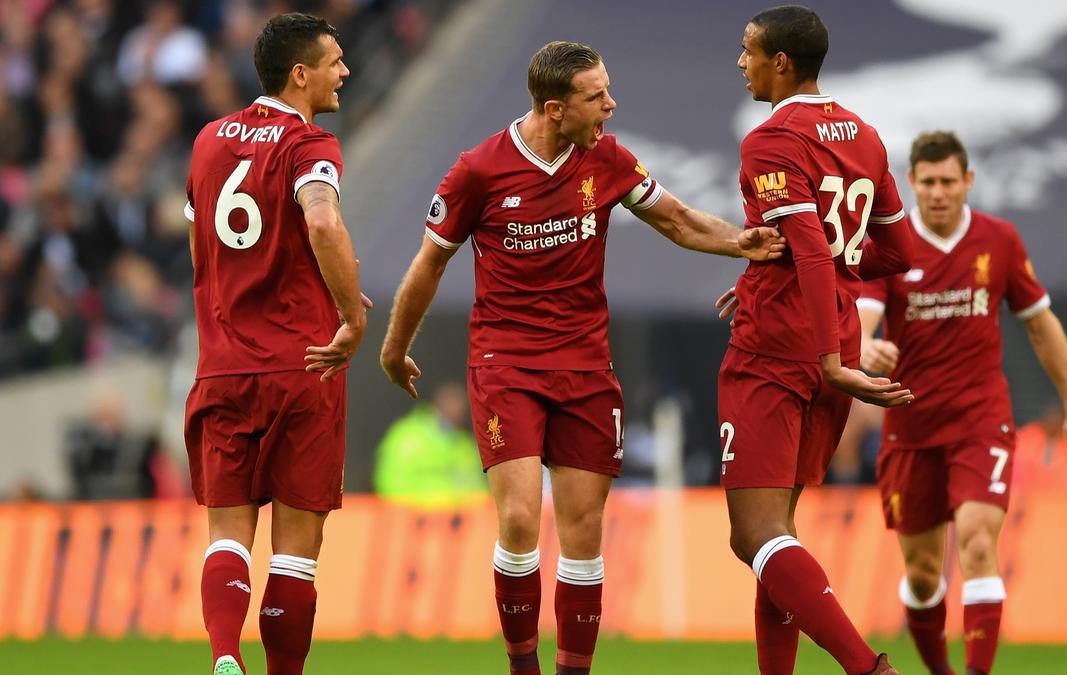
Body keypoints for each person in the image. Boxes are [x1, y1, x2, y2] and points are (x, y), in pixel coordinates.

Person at [379, 40, 785, 675]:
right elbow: (430, 263)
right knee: (520, 518)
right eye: (597, 97)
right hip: (506, 363)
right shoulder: (479, 171)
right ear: (555, 109)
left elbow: (677, 220)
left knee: (583, 534)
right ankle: (523, 666)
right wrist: (394, 348)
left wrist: (742, 243)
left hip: (586, 369)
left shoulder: (608, 160)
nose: (611, 106)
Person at [713, 6, 915, 675]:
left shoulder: (770, 139)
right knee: (780, 536)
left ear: (781, 62)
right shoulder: (864, 135)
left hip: (779, 345)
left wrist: (826, 354)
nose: (740, 62)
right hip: (836, 334)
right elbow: (898, 251)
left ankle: (870, 669)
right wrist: (822, 282)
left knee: (754, 535)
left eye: (748, 51)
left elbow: (806, 247)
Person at [856, 131, 1067, 675]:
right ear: (911, 183)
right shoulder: (889, 246)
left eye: (948, 181)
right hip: (910, 429)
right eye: (928, 182)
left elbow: (1041, 326)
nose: (938, 192)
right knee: (923, 576)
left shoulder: (999, 240)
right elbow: (862, 319)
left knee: (978, 543)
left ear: (967, 181)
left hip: (979, 421)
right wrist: (864, 345)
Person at [182, 13, 367, 675]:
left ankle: (224, 655)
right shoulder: (310, 144)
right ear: (300, 74)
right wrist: (349, 312)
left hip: (224, 365)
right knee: (294, 552)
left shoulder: (208, 141)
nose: (344, 71)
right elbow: (322, 221)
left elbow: (202, 243)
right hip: (303, 363)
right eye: (334, 61)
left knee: (227, 535)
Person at [373, 380, 488, 508]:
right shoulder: (406, 436)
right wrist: (433, 506)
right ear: (436, 403)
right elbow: (390, 484)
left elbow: (478, 490)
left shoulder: (466, 445)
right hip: (416, 517)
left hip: (457, 518)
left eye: (461, 403)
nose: (456, 408)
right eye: (450, 400)